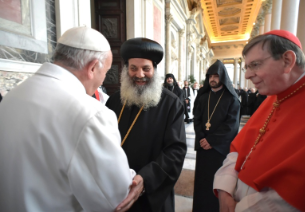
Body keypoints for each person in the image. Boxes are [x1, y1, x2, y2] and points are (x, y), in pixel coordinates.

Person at [0, 26, 134, 212]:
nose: (103, 80)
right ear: (93, 67)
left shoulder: (12, 96)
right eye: (106, 71)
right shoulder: (91, 114)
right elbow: (115, 198)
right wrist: (135, 180)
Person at [214, 29, 305, 212]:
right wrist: (225, 188)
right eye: (247, 67)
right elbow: (241, 150)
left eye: (255, 65)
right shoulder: (275, 96)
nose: (247, 75)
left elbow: (303, 190)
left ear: (287, 61)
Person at [106, 37, 187, 212]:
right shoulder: (114, 101)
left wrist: (146, 179)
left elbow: (176, 151)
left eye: (146, 69)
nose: (139, 74)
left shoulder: (171, 104)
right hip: (116, 189)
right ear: (126, 70)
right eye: (133, 68)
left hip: (152, 193)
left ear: (155, 70)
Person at [193, 60, 240, 212]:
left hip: (219, 149)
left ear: (223, 78)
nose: (212, 79)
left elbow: (231, 125)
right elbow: (197, 119)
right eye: (210, 76)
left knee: (217, 183)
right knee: (202, 182)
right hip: (203, 147)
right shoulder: (202, 97)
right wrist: (202, 138)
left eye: (216, 76)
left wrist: (211, 140)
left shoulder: (232, 99)